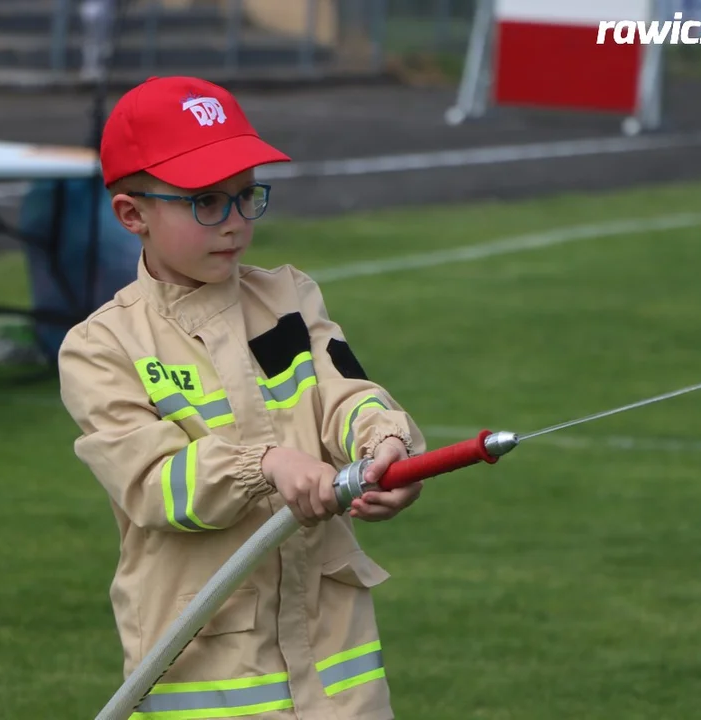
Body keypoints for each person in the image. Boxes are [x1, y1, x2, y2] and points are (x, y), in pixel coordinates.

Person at [57, 75, 427, 720]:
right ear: (132, 214)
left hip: (336, 662)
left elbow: (346, 395)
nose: (233, 223)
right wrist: (267, 466)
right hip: (212, 671)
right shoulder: (100, 347)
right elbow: (153, 484)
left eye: (245, 196)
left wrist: (385, 443)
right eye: (205, 203)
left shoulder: (288, 297)